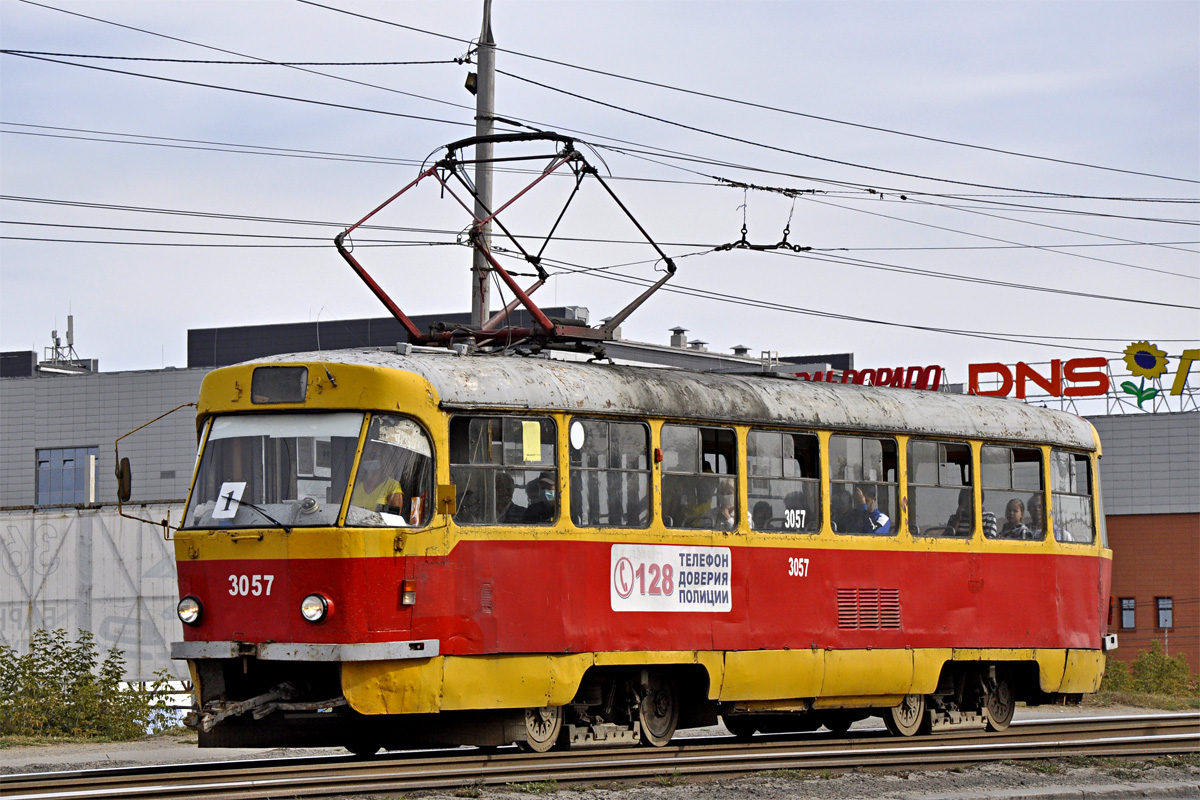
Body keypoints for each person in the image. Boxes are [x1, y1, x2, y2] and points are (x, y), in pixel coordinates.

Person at [350, 447, 405, 519]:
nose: (368, 459)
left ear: (384, 459)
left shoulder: (392, 486)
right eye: (366, 455)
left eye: (373, 455)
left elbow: (394, 518)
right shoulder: (354, 485)